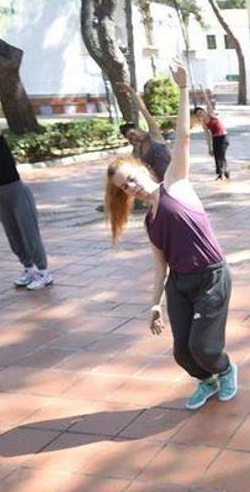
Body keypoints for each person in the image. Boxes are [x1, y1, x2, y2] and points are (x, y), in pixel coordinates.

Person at [104, 60, 237, 410]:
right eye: (124, 187)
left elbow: (182, 139)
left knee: (204, 348)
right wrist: (154, 303)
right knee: (182, 352)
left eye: (130, 178)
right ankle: (206, 381)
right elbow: (159, 267)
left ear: (141, 169)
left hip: (211, 276)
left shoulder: (175, 183)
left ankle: (225, 369)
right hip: (180, 283)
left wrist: (182, 89)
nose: (130, 187)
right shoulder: (149, 221)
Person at [0, 61, 53, 291]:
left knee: (29, 233)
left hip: (17, 192)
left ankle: (44, 272)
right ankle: (28, 268)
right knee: (13, 236)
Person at [116, 83, 171, 183]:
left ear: (138, 129)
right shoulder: (139, 150)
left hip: (174, 180)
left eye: (132, 134)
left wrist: (131, 92)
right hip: (159, 186)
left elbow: (143, 110)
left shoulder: (154, 135)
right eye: (130, 139)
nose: (134, 138)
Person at [193, 89, 230, 180]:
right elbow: (207, 136)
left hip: (223, 137)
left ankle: (224, 172)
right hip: (215, 139)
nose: (201, 115)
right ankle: (221, 173)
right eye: (199, 114)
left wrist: (204, 94)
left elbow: (208, 104)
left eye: (201, 112)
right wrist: (209, 148)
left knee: (221, 155)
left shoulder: (211, 115)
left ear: (204, 111)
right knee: (216, 156)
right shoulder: (204, 124)